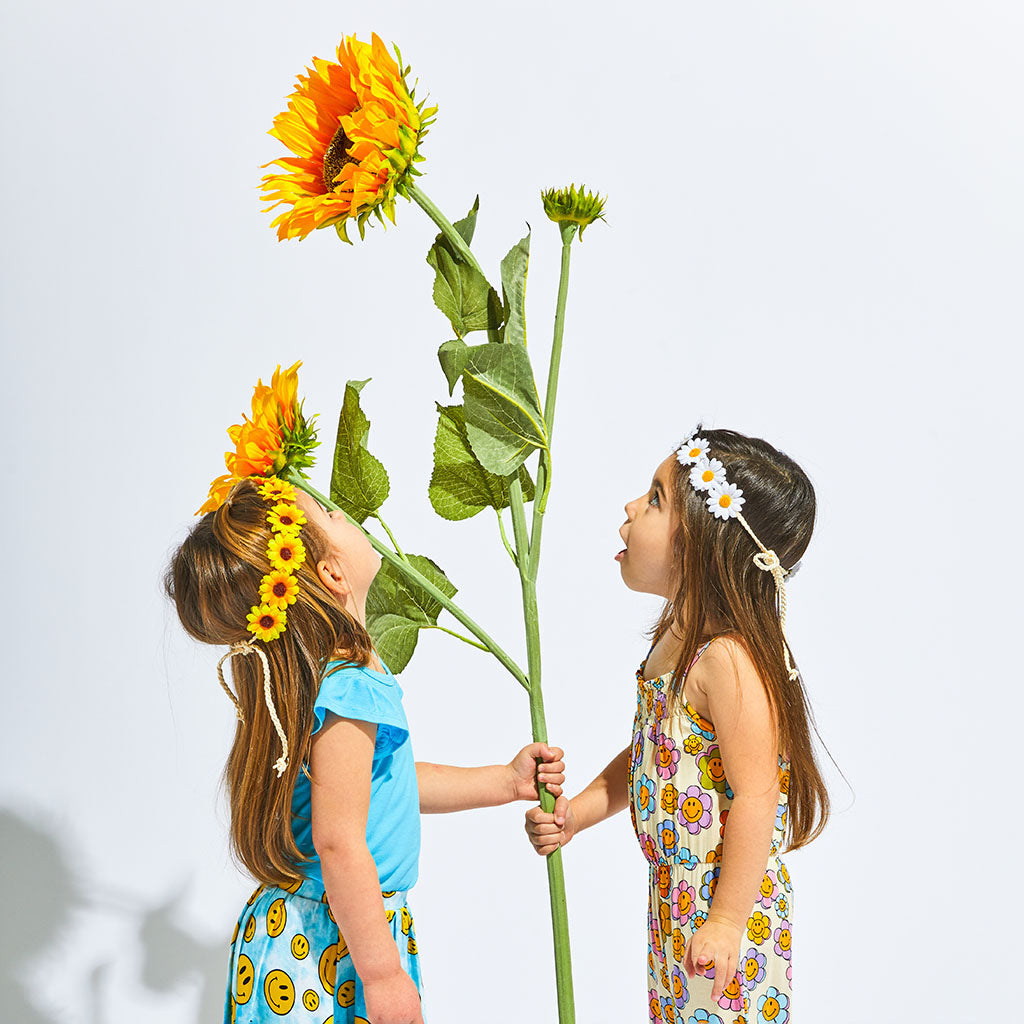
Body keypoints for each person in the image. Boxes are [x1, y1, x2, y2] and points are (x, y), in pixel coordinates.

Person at [167, 476, 565, 1024]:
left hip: (305, 930)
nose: (343, 512)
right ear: (331, 573)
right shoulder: (348, 684)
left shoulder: (322, 678)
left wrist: (503, 781)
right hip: (337, 942)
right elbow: (338, 841)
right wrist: (381, 975)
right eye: (330, 514)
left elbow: (380, 788)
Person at [525, 428, 829, 1022]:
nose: (631, 507)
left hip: (727, 911)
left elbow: (759, 794)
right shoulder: (674, 644)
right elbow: (650, 754)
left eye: (656, 498)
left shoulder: (727, 661)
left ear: (701, 546)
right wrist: (577, 814)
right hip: (672, 905)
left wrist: (725, 922)